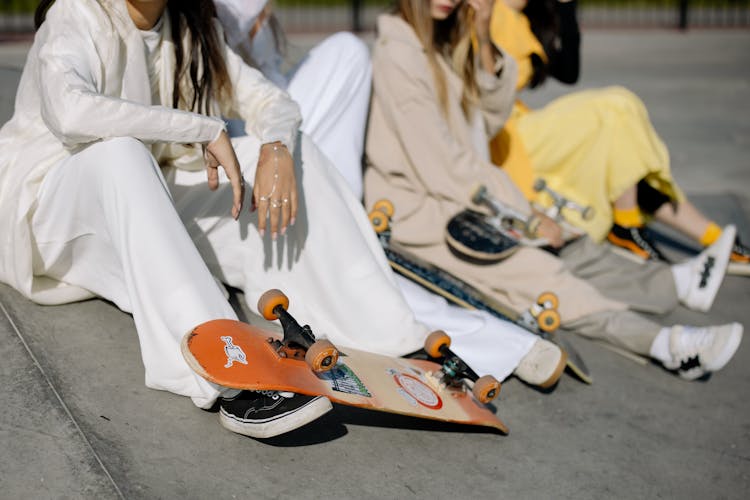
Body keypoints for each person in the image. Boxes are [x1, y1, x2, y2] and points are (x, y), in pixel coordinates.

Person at [0, 0, 542, 440]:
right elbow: (72, 114)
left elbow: (270, 101)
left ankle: (386, 330)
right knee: (120, 152)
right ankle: (229, 368)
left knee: (280, 150)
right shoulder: (76, 16)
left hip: (145, 197)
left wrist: (277, 147)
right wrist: (201, 128)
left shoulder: (190, 28)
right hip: (51, 211)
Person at [363, 0, 743, 382]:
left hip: (453, 192)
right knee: (534, 270)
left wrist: (481, 33)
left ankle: (672, 285)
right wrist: (522, 214)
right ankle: (667, 344)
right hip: (417, 213)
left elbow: (488, 120)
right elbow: (439, 161)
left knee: (567, 243)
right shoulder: (399, 52)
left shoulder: (439, 39)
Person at [214, 0, 569, 389]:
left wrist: (482, 39)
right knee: (344, 54)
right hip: (239, 145)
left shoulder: (452, 32)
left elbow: (483, 124)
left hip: (281, 130)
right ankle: (354, 247)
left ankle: (345, 223)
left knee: (344, 53)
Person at [488, 0, 750, 273]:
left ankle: (714, 239)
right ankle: (627, 225)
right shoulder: (484, 12)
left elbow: (568, 72)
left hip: (525, 124)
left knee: (623, 159)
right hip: (505, 134)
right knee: (616, 107)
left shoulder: (530, 19)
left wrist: (566, 6)